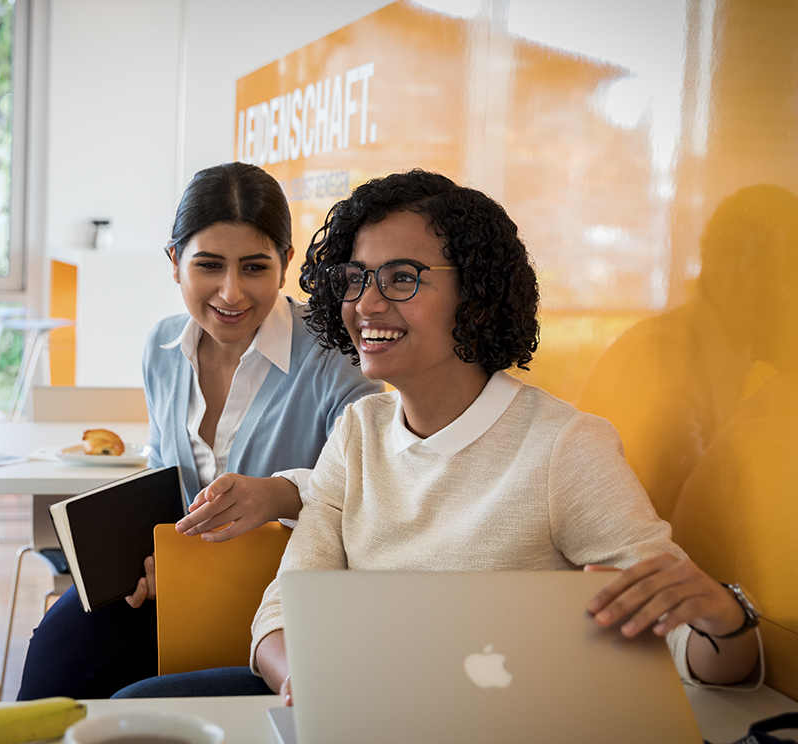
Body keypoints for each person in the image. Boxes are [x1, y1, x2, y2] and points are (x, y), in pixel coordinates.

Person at [114, 169, 762, 699]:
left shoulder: (566, 446)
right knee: (130, 710)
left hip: (489, 721)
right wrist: (301, 682)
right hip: (350, 705)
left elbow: (701, 653)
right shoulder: (358, 432)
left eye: (401, 278)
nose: (366, 303)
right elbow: (281, 614)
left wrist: (724, 622)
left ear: (476, 294)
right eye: (356, 278)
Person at [17, 162, 382, 700]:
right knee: (60, 647)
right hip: (185, 580)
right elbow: (166, 483)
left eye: (254, 268)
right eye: (208, 265)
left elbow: (376, 480)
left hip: (282, 593)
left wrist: (279, 492)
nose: (231, 293)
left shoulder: (335, 354)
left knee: (119, 691)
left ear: (284, 263)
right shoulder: (163, 347)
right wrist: (153, 557)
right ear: (174, 262)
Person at [576, 185, 798, 521]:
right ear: (730, 276)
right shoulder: (661, 357)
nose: (791, 298)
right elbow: (697, 515)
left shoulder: (736, 357)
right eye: (785, 276)